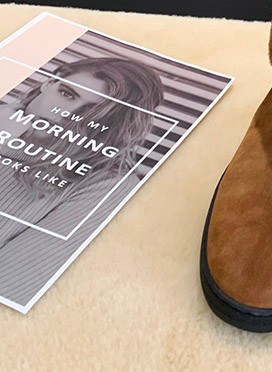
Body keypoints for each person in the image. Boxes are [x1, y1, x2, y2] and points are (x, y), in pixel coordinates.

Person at [0, 56, 164, 252]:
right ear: (49, 83)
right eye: (66, 94)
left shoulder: (105, 185)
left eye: (91, 110)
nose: (66, 113)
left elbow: (21, 267)